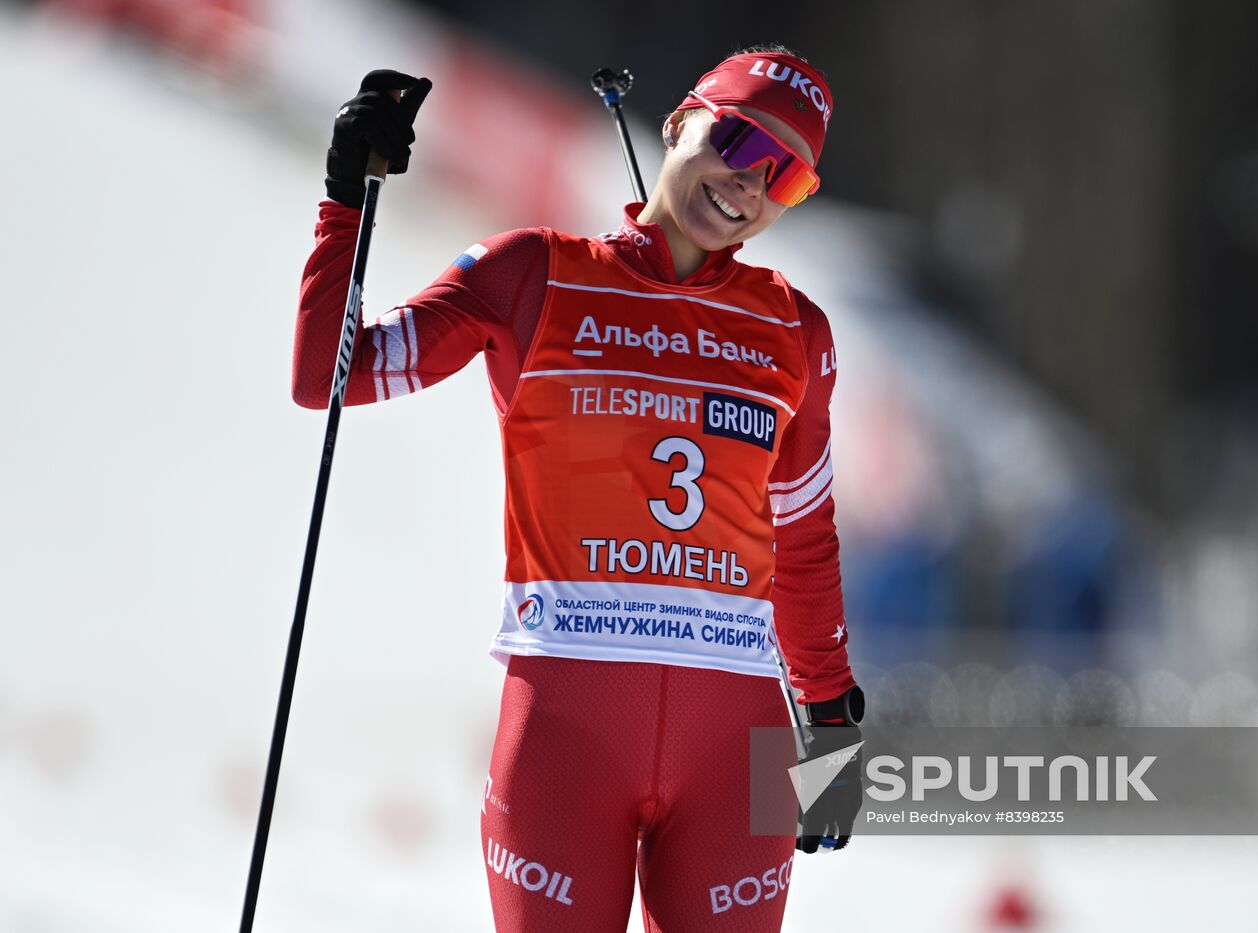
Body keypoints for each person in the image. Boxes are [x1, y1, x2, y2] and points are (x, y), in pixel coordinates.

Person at [292, 43, 865, 932]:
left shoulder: (796, 329)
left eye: (786, 178)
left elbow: (804, 539)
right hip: (567, 731)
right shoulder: (532, 273)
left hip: (738, 742)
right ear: (678, 123)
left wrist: (831, 727)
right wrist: (344, 196)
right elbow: (334, 376)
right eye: (741, 143)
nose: (750, 183)